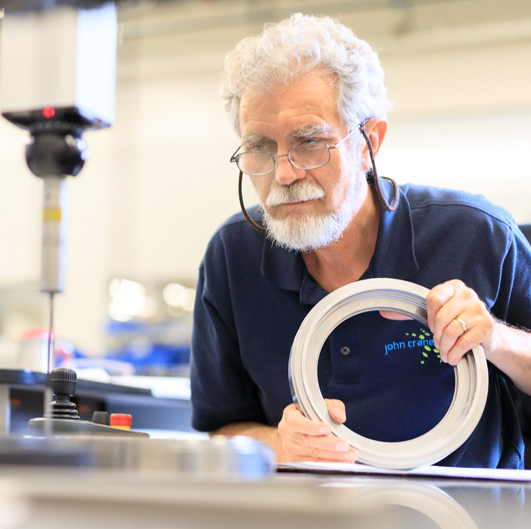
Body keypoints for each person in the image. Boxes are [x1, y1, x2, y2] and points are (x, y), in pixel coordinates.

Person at [190, 13, 531, 468]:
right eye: (260, 148)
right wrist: (279, 445)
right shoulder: (233, 257)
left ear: (370, 140)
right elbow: (222, 429)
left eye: (309, 141)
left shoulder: (475, 235)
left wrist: (496, 341)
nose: (284, 173)